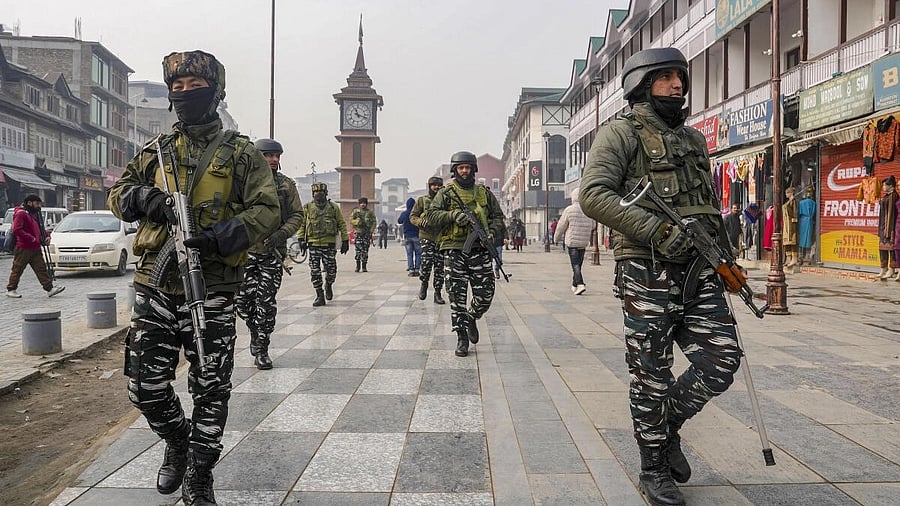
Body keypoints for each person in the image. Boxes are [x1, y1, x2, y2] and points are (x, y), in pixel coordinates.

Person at [107, 50, 280, 506]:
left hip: (214, 288)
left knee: (211, 386)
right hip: (155, 285)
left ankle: (200, 474)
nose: (186, 95)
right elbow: (118, 194)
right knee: (143, 386)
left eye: (195, 88)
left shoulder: (241, 155)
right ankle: (178, 440)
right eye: (177, 88)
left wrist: (220, 236)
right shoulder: (154, 151)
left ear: (215, 92)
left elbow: (267, 209)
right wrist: (146, 198)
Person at [580, 48, 742, 506]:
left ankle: (665, 426)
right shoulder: (620, 134)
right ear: (642, 83)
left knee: (722, 359)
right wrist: (657, 230)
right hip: (646, 270)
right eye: (665, 77)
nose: (676, 85)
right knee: (650, 372)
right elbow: (594, 195)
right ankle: (653, 466)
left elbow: (707, 206)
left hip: (700, 269)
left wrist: (727, 260)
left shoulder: (694, 140)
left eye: (680, 77)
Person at [426, 151, 505, 358]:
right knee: (456, 296)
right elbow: (432, 216)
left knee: (485, 295)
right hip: (454, 250)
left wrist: (492, 232)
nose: (464, 171)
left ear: (473, 169)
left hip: (480, 250)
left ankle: (472, 316)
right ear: (454, 170)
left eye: (467, 167)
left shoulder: (484, 193)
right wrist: (453, 215)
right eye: (460, 168)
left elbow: (498, 217)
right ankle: (461, 337)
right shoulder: (446, 193)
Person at [235, 138, 304, 370]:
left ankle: (262, 348)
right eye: (268, 155)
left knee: (265, 302)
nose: (273, 160)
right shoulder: (242, 183)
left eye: (276, 156)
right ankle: (255, 330)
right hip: (244, 253)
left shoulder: (286, 185)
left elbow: (297, 215)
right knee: (243, 302)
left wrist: (281, 234)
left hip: (272, 254)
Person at [298, 182, 349, 306]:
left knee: (331, 270)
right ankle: (319, 294)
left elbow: (341, 223)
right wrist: (301, 239)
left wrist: (345, 239)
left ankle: (329, 285)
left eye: (321, 192)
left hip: (329, 244)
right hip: (313, 244)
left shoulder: (333, 207)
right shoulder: (307, 208)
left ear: (326, 193)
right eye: (316, 192)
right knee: (315, 271)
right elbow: (302, 224)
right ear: (313, 194)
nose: (318, 194)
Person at [5, 194, 65, 298]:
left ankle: (49, 289)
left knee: (41, 268)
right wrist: (31, 238)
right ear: (29, 203)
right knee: (18, 269)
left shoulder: (34, 214)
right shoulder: (21, 214)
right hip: (23, 247)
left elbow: (40, 228)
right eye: (37, 204)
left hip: (35, 247)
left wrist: (47, 236)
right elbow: (17, 230)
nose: (39, 206)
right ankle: (11, 289)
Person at [410, 176, 446, 304]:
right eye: (434, 185)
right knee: (426, 263)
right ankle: (424, 283)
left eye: (438, 185)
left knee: (440, 267)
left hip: (441, 238)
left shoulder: (445, 201)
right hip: (426, 236)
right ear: (429, 186)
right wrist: (420, 221)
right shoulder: (422, 200)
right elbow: (413, 216)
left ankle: (438, 293)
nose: (436, 187)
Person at [554, 188, 593, 295]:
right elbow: (593, 225)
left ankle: (580, 284)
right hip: (583, 242)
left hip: (572, 242)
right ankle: (574, 284)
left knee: (575, 265)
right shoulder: (587, 210)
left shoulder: (569, 210)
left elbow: (561, 226)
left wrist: (556, 238)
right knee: (578, 265)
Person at [876, 175, 897, 280]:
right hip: (883, 226)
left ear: (891, 186)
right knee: (882, 248)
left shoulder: (894, 196)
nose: (883, 187)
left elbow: (893, 214)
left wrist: (891, 229)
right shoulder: (886, 196)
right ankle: (883, 268)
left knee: (892, 249)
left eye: (885, 185)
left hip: (890, 227)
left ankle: (892, 269)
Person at [350, 197, 377, 272]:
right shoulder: (356, 212)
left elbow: (374, 221)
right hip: (358, 233)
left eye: (364, 203)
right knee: (358, 250)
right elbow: (351, 220)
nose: (363, 204)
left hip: (366, 234)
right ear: (359, 204)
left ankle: (364, 266)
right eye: (361, 203)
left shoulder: (370, 212)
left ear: (366, 204)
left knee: (365, 250)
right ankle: (358, 266)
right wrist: (357, 222)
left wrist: (371, 230)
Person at [398, 197, 422, 277]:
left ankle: (411, 270)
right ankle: (417, 269)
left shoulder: (405, 213)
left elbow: (399, 221)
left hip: (407, 236)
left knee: (409, 254)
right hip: (416, 236)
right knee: (418, 253)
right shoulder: (417, 214)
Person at [797, 187, 817, 266]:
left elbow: (799, 213)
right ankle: (807, 256)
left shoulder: (801, 203)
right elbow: (814, 212)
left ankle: (801, 256)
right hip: (810, 221)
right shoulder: (813, 203)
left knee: (802, 239)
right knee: (809, 238)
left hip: (803, 221)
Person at [782, 186, 799, 269]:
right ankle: (788, 258)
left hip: (791, 224)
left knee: (792, 240)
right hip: (786, 223)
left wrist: (794, 221)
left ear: (791, 193)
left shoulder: (793, 201)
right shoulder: (788, 201)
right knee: (786, 242)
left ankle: (794, 258)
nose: (786, 194)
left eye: (787, 193)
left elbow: (795, 211)